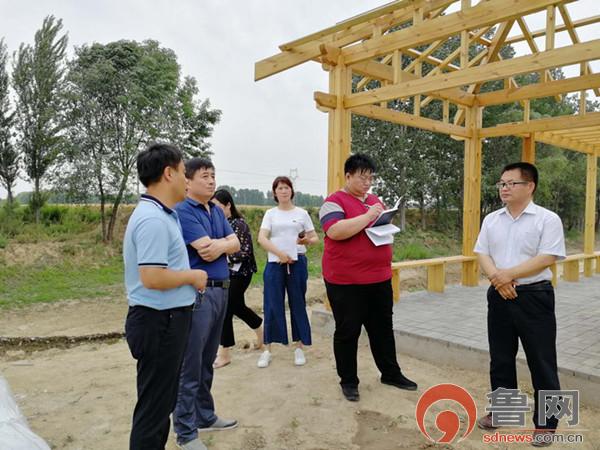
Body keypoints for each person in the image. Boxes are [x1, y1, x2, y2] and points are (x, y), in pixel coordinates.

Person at [123, 143, 208, 450]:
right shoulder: (154, 220)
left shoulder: (163, 214)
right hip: (158, 322)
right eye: (185, 172)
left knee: (160, 403)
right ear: (168, 173)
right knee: (154, 409)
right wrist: (193, 276)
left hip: (167, 320)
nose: (188, 180)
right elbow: (152, 276)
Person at [474, 162, 565, 446]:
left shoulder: (547, 219)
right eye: (502, 183)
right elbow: (482, 252)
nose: (504, 188)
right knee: (500, 357)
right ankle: (504, 411)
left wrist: (508, 275)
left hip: (534, 296)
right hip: (499, 294)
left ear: (530, 186)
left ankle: (547, 423)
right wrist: (498, 280)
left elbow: (548, 256)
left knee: (542, 361)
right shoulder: (492, 219)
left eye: (512, 183)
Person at [319, 153, 417, 402]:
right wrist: (368, 216)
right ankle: (349, 381)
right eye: (362, 177)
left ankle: (391, 373)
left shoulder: (374, 200)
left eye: (370, 177)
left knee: (383, 329)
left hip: (379, 278)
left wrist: (383, 221)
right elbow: (336, 231)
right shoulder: (333, 202)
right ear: (348, 175)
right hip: (346, 282)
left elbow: (378, 226)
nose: (367, 182)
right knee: (348, 331)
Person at [172, 158, 241, 450]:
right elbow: (207, 251)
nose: (211, 181)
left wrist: (223, 244)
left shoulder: (214, 209)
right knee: (190, 364)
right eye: (205, 176)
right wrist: (223, 245)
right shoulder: (182, 211)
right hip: (198, 294)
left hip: (222, 290)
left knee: (207, 361)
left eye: (213, 176)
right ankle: (185, 432)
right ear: (187, 181)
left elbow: (234, 243)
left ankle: (205, 415)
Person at [256, 176, 319, 368]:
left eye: (286, 187)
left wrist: (306, 241)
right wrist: (280, 254)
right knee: (272, 304)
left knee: (298, 302)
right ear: (274, 193)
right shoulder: (270, 214)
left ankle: (299, 346)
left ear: (292, 191)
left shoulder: (301, 213)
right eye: (279, 188)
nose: (283, 191)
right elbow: (262, 238)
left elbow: (314, 237)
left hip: (297, 262)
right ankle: (267, 349)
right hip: (275, 263)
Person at [211, 189, 263, 368]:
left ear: (228, 206)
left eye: (218, 207)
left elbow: (245, 252)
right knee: (238, 307)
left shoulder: (238, 224)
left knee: (226, 309)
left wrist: (221, 251)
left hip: (241, 274)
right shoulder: (218, 224)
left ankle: (224, 353)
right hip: (227, 273)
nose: (214, 210)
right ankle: (262, 335)